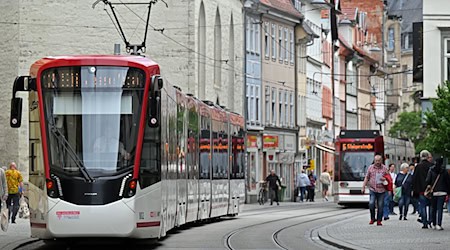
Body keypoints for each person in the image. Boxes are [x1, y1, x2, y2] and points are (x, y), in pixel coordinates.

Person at [362, 154, 388, 226]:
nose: (377, 162)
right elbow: (367, 177)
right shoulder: (370, 168)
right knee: (371, 203)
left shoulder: (384, 168)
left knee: (380, 205)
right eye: (376, 160)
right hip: (372, 189)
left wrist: (385, 179)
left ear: (381, 161)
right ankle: (372, 218)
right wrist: (363, 186)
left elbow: (388, 178)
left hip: (382, 190)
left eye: (379, 160)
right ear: (374, 160)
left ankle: (379, 220)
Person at [425, 157, 450, 230]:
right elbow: (448, 182)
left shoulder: (431, 170)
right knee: (440, 209)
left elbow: (427, 180)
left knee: (433, 208)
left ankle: (433, 223)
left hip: (434, 192)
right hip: (442, 192)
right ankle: (439, 224)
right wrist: (448, 192)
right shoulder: (444, 171)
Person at [412, 150, 434, 229]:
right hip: (431, 190)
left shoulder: (418, 166)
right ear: (428, 156)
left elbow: (414, 178)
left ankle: (424, 222)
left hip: (421, 190)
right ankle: (430, 220)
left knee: (423, 206)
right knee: (431, 206)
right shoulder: (432, 165)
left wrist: (414, 190)